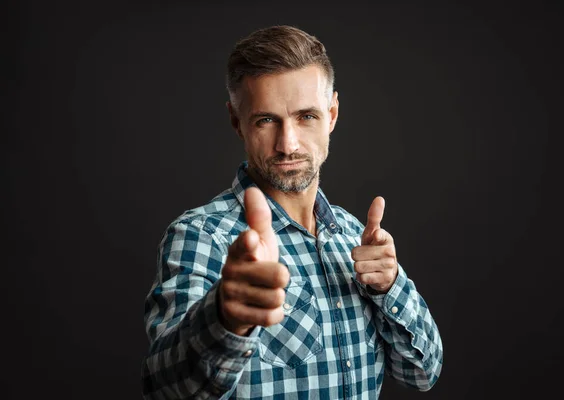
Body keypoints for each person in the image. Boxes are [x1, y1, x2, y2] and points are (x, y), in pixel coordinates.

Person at [142, 25, 443, 399]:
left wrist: (390, 286)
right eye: (266, 120)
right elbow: (164, 389)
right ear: (237, 121)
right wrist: (225, 318)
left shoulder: (354, 236)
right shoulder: (203, 236)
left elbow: (424, 373)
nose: (288, 145)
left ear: (331, 114)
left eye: (306, 117)